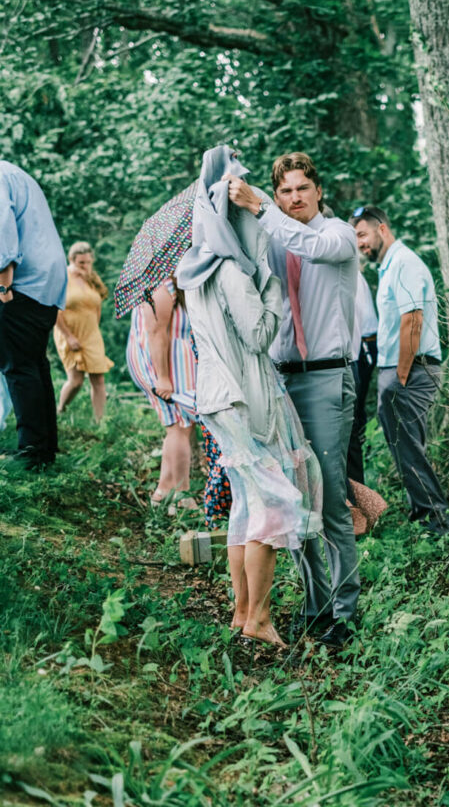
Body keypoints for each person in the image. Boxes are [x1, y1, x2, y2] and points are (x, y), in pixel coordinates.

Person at [177, 146, 323, 648]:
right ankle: (259, 618)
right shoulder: (232, 271)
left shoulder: (194, 270)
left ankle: (242, 613)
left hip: (216, 397)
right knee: (275, 504)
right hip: (243, 398)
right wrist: (274, 290)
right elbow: (260, 335)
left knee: (245, 505)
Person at [227, 151, 360, 648]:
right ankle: (316, 606)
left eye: (302, 188)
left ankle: (345, 614)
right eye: (284, 191)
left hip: (327, 378)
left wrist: (263, 210)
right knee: (296, 500)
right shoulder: (273, 240)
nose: (293, 198)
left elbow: (313, 248)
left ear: (318, 190)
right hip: (281, 382)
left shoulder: (338, 234)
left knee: (329, 501)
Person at [351, 206, 449, 535]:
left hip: (411, 370)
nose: (360, 244)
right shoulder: (389, 267)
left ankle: (436, 524)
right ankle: (424, 518)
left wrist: (402, 374)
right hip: (400, 370)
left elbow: (413, 319)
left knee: (409, 449)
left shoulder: (405, 263)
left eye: (363, 235)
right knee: (406, 449)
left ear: (382, 229)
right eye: (356, 238)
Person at [0, 161, 67, 469]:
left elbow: (2, 231)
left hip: (21, 284)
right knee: (35, 364)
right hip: (47, 283)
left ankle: (31, 452)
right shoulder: (14, 172)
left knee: (18, 367)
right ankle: (45, 448)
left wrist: (2, 286)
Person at [126, 278, 198, 513]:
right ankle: (182, 495)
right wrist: (163, 377)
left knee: (180, 426)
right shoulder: (160, 285)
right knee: (179, 425)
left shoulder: (171, 283)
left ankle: (163, 491)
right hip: (167, 363)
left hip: (176, 361)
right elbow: (156, 332)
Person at [54, 241, 113, 423]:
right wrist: (68, 336)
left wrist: (95, 328)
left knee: (99, 379)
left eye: (88, 262)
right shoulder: (62, 277)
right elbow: (54, 310)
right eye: (81, 263)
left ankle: (99, 422)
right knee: (76, 380)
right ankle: (60, 409)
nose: (85, 266)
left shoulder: (91, 278)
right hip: (69, 331)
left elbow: (97, 306)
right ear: (71, 260)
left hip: (91, 333)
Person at [347, 270, 379, 489]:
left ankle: (359, 494)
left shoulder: (351, 275)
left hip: (361, 350)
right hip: (358, 351)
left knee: (352, 420)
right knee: (354, 418)